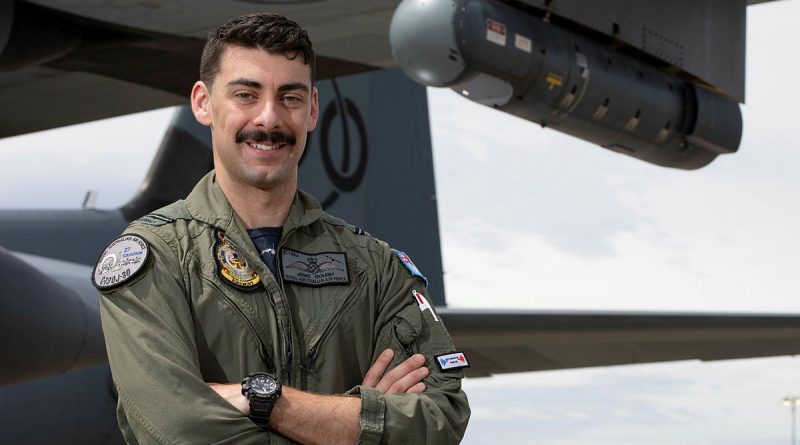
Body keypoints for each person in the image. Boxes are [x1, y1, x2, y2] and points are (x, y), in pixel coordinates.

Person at [94, 12, 470, 445]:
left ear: (312, 110)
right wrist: (350, 420)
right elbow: (177, 430)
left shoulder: (376, 268)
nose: (269, 119)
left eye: (289, 98)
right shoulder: (156, 256)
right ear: (202, 103)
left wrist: (264, 401)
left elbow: (440, 419)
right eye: (245, 95)